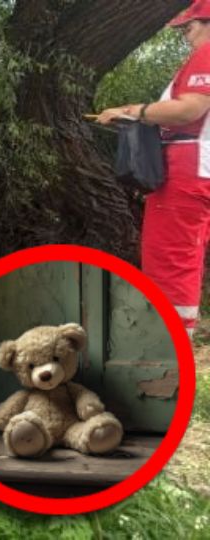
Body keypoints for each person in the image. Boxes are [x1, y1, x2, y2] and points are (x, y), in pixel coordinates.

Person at [96, 1, 210, 340]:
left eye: (189, 27)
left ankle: (167, 346)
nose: (184, 35)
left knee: (168, 257)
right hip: (197, 166)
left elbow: (189, 109)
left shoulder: (207, 55)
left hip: (187, 167)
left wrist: (134, 111)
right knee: (185, 255)